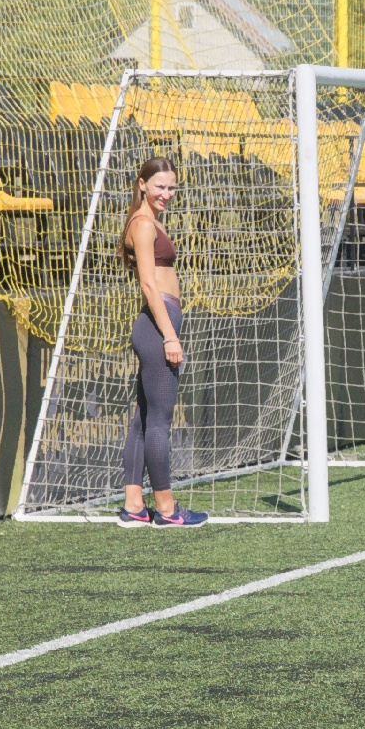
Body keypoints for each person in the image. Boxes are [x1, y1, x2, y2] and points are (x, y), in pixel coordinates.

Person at [117, 157, 208, 528]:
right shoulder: (142, 224)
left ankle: (134, 506)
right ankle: (167, 510)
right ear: (142, 184)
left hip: (158, 323)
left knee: (143, 419)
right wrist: (170, 335)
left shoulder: (150, 221)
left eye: (172, 187)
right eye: (160, 187)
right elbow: (148, 284)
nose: (167, 193)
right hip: (158, 326)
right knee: (159, 422)